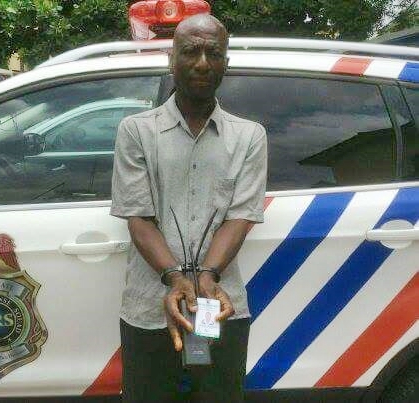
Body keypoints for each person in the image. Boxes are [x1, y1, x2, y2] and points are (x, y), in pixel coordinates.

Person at [111, 13, 267, 403]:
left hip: (220, 306)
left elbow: (240, 216)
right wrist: (175, 279)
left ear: (225, 64)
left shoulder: (249, 136)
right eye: (191, 52)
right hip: (149, 306)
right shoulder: (136, 131)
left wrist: (207, 276)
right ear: (171, 59)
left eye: (213, 54)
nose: (202, 63)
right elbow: (139, 217)